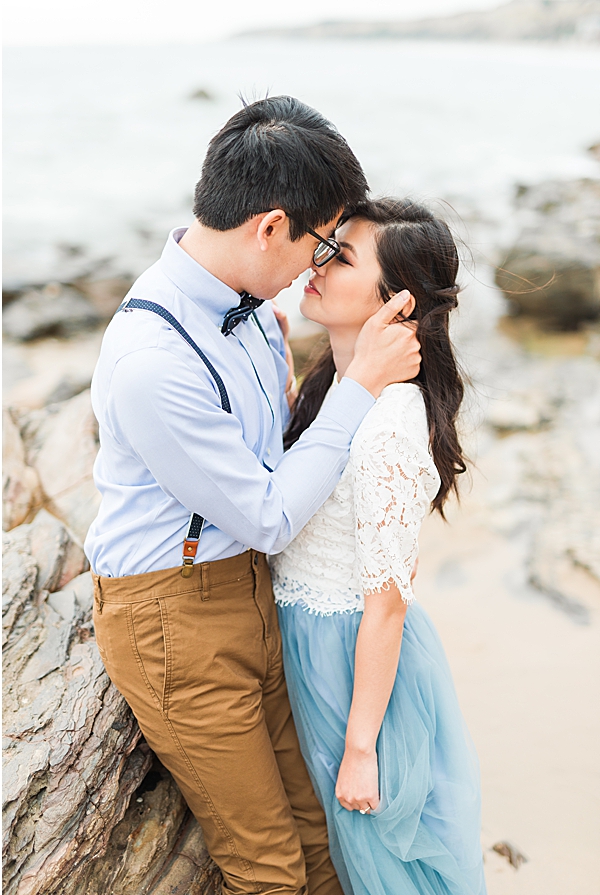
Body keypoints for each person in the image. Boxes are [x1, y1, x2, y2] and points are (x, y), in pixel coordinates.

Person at [86, 96, 421, 895]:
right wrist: (356, 385)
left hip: (250, 594)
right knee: (265, 869)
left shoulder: (256, 312)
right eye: (322, 242)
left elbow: (271, 467)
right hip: (173, 617)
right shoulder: (152, 361)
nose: (319, 263)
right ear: (271, 226)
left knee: (316, 833)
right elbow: (268, 514)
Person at [271, 198, 484, 894]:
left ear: (396, 302)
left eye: (342, 255)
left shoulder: (390, 422)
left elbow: (388, 600)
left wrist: (361, 747)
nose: (318, 261)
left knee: (388, 870)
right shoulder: (340, 386)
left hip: (356, 667)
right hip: (319, 650)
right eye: (325, 246)